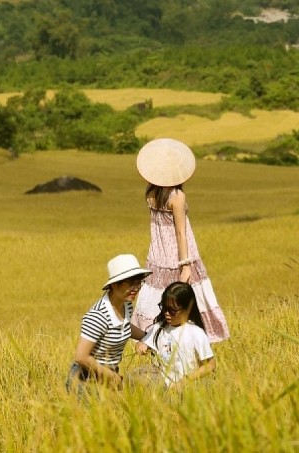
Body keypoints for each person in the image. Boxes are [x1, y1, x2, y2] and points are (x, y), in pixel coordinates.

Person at [133, 138, 229, 343]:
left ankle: (155, 339)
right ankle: (193, 341)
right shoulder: (176, 195)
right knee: (187, 300)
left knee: (160, 301)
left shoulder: (150, 192)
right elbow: (180, 232)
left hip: (157, 255)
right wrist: (185, 264)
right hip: (178, 255)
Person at [66, 254, 152, 393]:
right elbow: (81, 356)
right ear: (114, 285)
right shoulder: (98, 316)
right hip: (86, 380)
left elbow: (124, 326)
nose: (136, 288)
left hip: (108, 376)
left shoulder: (126, 305)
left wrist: (148, 338)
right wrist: (111, 376)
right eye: (130, 283)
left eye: (138, 283)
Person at [134, 282, 216, 388]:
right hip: (162, 385)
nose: (167, 313)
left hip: (189, 386)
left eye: (172, 310)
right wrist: (141, 346)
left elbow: (210, 364)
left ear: (187, 309)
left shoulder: (196, 333)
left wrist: (185, 381)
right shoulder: (159, 327)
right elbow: (143, 343)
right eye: (164, 308)